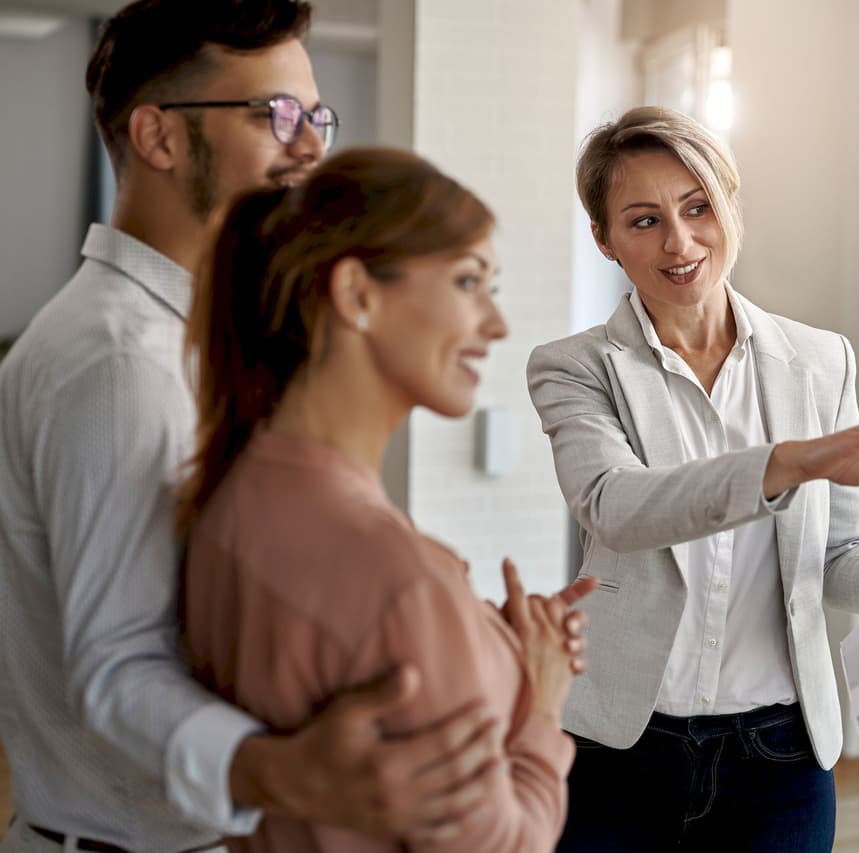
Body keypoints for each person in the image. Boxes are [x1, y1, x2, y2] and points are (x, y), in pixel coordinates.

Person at [0, 2, 540, 850]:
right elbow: (116, 666)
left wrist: (454, 630)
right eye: (276, 114)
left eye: (315, 116)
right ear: (160, 137)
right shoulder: (120, 364)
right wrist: (284, 771)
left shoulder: (217, 341)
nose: (311, 145)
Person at [526, 105, 859, 853]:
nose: (680, 240)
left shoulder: (823, 361)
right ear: (604, 239)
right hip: (620, 749)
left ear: (730, 201)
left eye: (698, 206)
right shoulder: (575, 367)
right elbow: (617, 508)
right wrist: (790, 462)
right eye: (643, 220)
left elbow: (833, 564)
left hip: (779, 757)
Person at [178, 146, 590, 853]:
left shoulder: (230, 498)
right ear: (357, 295)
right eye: (469, 282)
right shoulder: (402, 581)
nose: (496, 324)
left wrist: (483, 637)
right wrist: (543, 703)